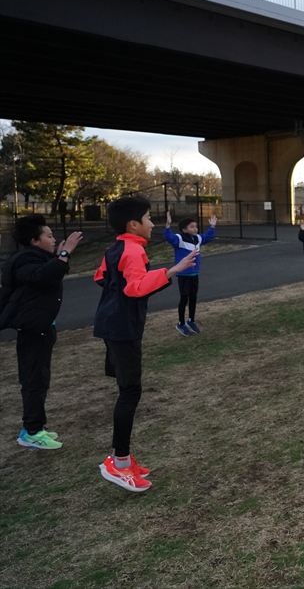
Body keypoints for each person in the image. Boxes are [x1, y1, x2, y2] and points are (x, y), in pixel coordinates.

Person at [93, 196, 197, 492]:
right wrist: (171, 271)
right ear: (133, 224)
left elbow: (101, 277)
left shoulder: (117, 247)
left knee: (127, 389)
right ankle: (119, 462)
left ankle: (124, 459)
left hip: (112, 324)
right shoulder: (132, 250)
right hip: (121, 327)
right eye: (149, 218)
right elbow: (135, 288)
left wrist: (120, 294)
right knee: (130, 391)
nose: (152, 224)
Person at [1, 215, 83, 450]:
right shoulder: (25, 260)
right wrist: (64, 253)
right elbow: (40, 276)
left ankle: (35, 428)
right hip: (33, 330)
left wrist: (60, 257)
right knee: (34, 380)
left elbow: (50, 273)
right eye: (48, 235)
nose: (53, 238)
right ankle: (32, 432)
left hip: (42, 328)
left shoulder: (38, 258)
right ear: (34, 240)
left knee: (39, 378)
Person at [163, 210, 217, 336]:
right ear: (184, 229)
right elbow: (169, 237)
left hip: (194, 274)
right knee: (184, 298)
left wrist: (212, 226)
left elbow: (208, 236)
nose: (195, 229)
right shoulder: (179, 239)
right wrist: (167, 225)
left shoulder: (197, 238)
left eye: (196, 226)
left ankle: (191, 320)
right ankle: (181, 323)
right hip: (183, 275)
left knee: (193, 298)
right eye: (192, 227)